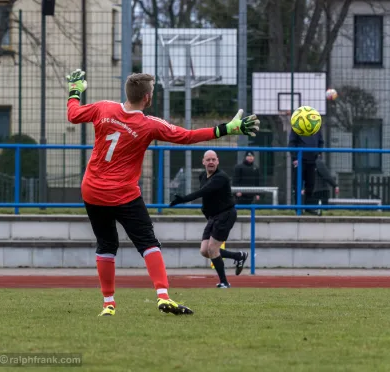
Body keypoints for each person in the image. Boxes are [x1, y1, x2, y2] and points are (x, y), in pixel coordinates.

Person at [65, 69, 259, 316]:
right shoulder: (148, 125)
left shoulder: (103, 108)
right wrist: (226, 129)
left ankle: (108, 304)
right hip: (124, 193)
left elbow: (72, 115)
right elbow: (187, 137)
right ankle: (163, 296)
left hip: (92, 191)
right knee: (148, 243)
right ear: (147, 98)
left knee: (106, 245)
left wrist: (74, 91)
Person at [169, 150, 248, 288]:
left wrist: (183, 199)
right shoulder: (202, 176)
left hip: (226, 214)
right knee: (205, 251)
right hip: (213, 216)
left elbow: (202, 192)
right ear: (203, 162)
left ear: (217, 161)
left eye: (213, 159)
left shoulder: (221, 177)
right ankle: (238, 256)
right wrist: (206, 213)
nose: (211, 162)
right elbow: (207, 199)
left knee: (212, 248)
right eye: (208, 159)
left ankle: (224, 282)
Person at [288, 128, 324, 215]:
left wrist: (318, 153)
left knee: (311, 184)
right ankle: (298, 208)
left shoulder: (316, 127)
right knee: (297, 185)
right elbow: (292, 143)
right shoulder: (297, 127)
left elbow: (321, 141)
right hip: (300, 160)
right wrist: (295, 158)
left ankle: (309, 207)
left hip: (312, 160)